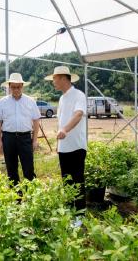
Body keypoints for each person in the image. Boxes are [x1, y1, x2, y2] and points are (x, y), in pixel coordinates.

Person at [45, 66, 87, 211]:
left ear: (63, 78)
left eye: (54, 79)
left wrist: (64, 130)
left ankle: (80, 215)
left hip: (76, 146)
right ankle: (70, 212)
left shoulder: (78, 95)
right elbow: (61, 122)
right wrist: (58, 144)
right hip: (64, 147)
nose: (53, 82)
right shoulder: (62, 98)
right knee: (67, 182)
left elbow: (78, 114)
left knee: (78, 182)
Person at [0, 73, 41, 186]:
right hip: (8, 138)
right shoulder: (3, 102)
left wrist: (34, 140)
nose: (16, 89)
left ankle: (31, 197)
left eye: (18, 87)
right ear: (9, 87)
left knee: (28, 168)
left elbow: (36, 121)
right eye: (13, 87)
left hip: (25, 138)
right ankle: (17, 199)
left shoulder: (30, 101)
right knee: (11, 169)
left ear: (22, 86)